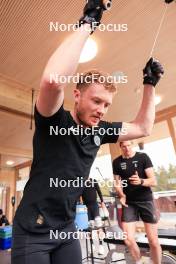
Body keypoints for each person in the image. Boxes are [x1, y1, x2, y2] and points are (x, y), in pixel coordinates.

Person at [12, 1, 164, 264]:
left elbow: (143, 127)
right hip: (32, 231)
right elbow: (52, 80)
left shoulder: (101, 130)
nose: (102, 110)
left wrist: (149, 84)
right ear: (77, 95)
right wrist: (87, 23)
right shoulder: (53, 120)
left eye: (106, 105)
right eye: (96, 101)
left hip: (66, 228)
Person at [113, 141, 162, 264]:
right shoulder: (117, 162)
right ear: (120, 147)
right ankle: (140, 262)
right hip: (129, 202)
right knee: (128, 239)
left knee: (153, 241)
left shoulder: (143, 157)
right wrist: (121, 194)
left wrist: (141, 181)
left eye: (129, 145)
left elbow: (154, 181)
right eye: (124, 146)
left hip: (145, 200)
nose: (127, 148)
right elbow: (117, 183)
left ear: (132, 145)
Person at [81, 178, 106, 255]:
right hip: (86, 208)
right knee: (89, 228)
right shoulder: (80, 182)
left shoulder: (93, 181)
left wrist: (102, 203)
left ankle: (101, 246)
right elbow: (79, 195)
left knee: (99, 226)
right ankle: (92, 245)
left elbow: (99, 192)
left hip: (95, 206)